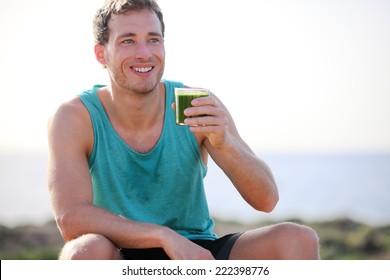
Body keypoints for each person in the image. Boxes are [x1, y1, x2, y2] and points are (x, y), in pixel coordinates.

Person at [47, 0, 320, 260]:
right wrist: (163, 236)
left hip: (197, 251)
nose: (144, 53)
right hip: (118, 252)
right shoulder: (75, 117)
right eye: (128, 40)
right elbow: (70, 219)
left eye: (153, 39)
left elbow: (266, 199)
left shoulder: (196, 103)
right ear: (101, 53)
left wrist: (224, 142)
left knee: (299, 239)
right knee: (83, 252)